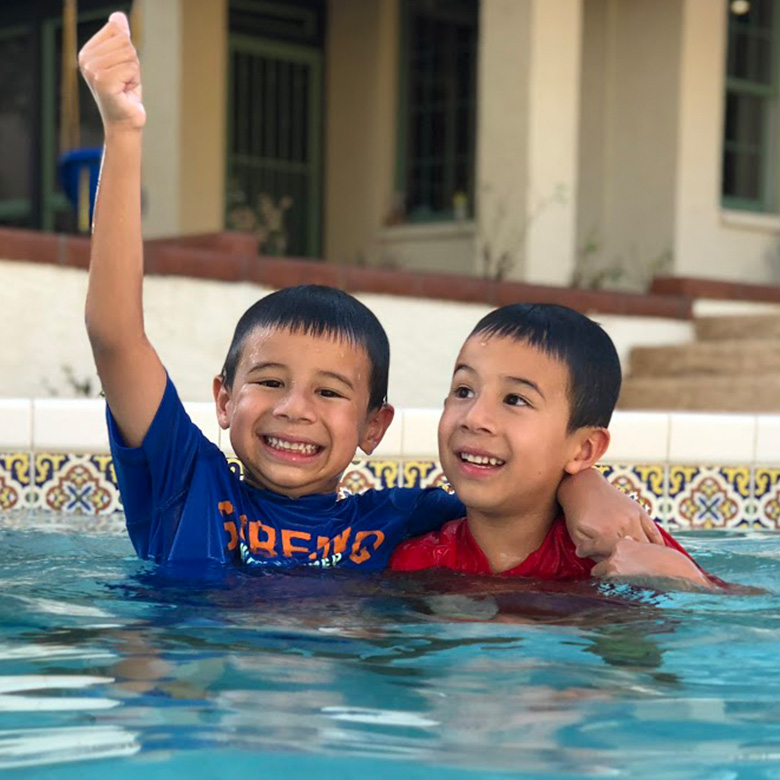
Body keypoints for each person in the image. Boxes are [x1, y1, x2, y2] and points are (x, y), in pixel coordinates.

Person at [78, 13, 661, 571]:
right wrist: (123, 131)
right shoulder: (185, 484)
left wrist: (587, 486)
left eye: (329, 392)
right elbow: (116, 337)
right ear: (225, 401)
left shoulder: (397, 523)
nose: (293, 408)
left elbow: (517, 487)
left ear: (373, 428)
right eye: (270, 381)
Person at [390, 303, 716, 588]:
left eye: (515, 399)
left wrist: (677, 577)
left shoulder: (623, 551)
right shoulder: (418, 562)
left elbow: (723, 613)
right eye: (464, 391)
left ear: (584, 450)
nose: (475, 418)